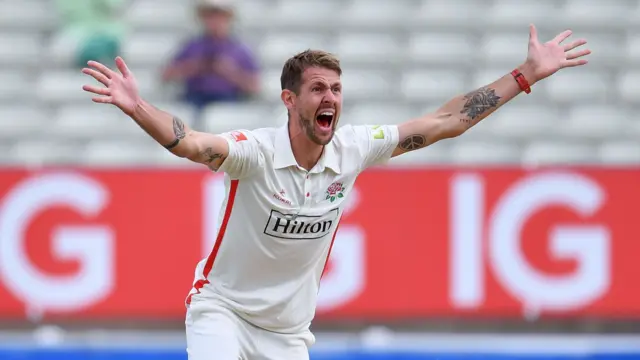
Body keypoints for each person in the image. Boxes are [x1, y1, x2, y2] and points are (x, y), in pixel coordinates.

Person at [81, 24, 590, 360]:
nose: (332, 99)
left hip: (287, 334)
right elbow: (190, 142)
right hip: (224, 312)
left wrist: (526, 75)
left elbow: (445, 122)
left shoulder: (353, 148)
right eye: (319, 89)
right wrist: (137, 107)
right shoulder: (254, 152)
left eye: (337, 90)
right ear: (289, 99)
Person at [161, 0, 260, 113]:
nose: (215, 22)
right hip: (194, 99)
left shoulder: (240, 49)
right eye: (210, 17)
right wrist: (193, 67)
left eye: (219, 17)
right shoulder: (192, 46)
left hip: (228, 101)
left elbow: (255, 87)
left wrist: (230, 72)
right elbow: (166, 76)